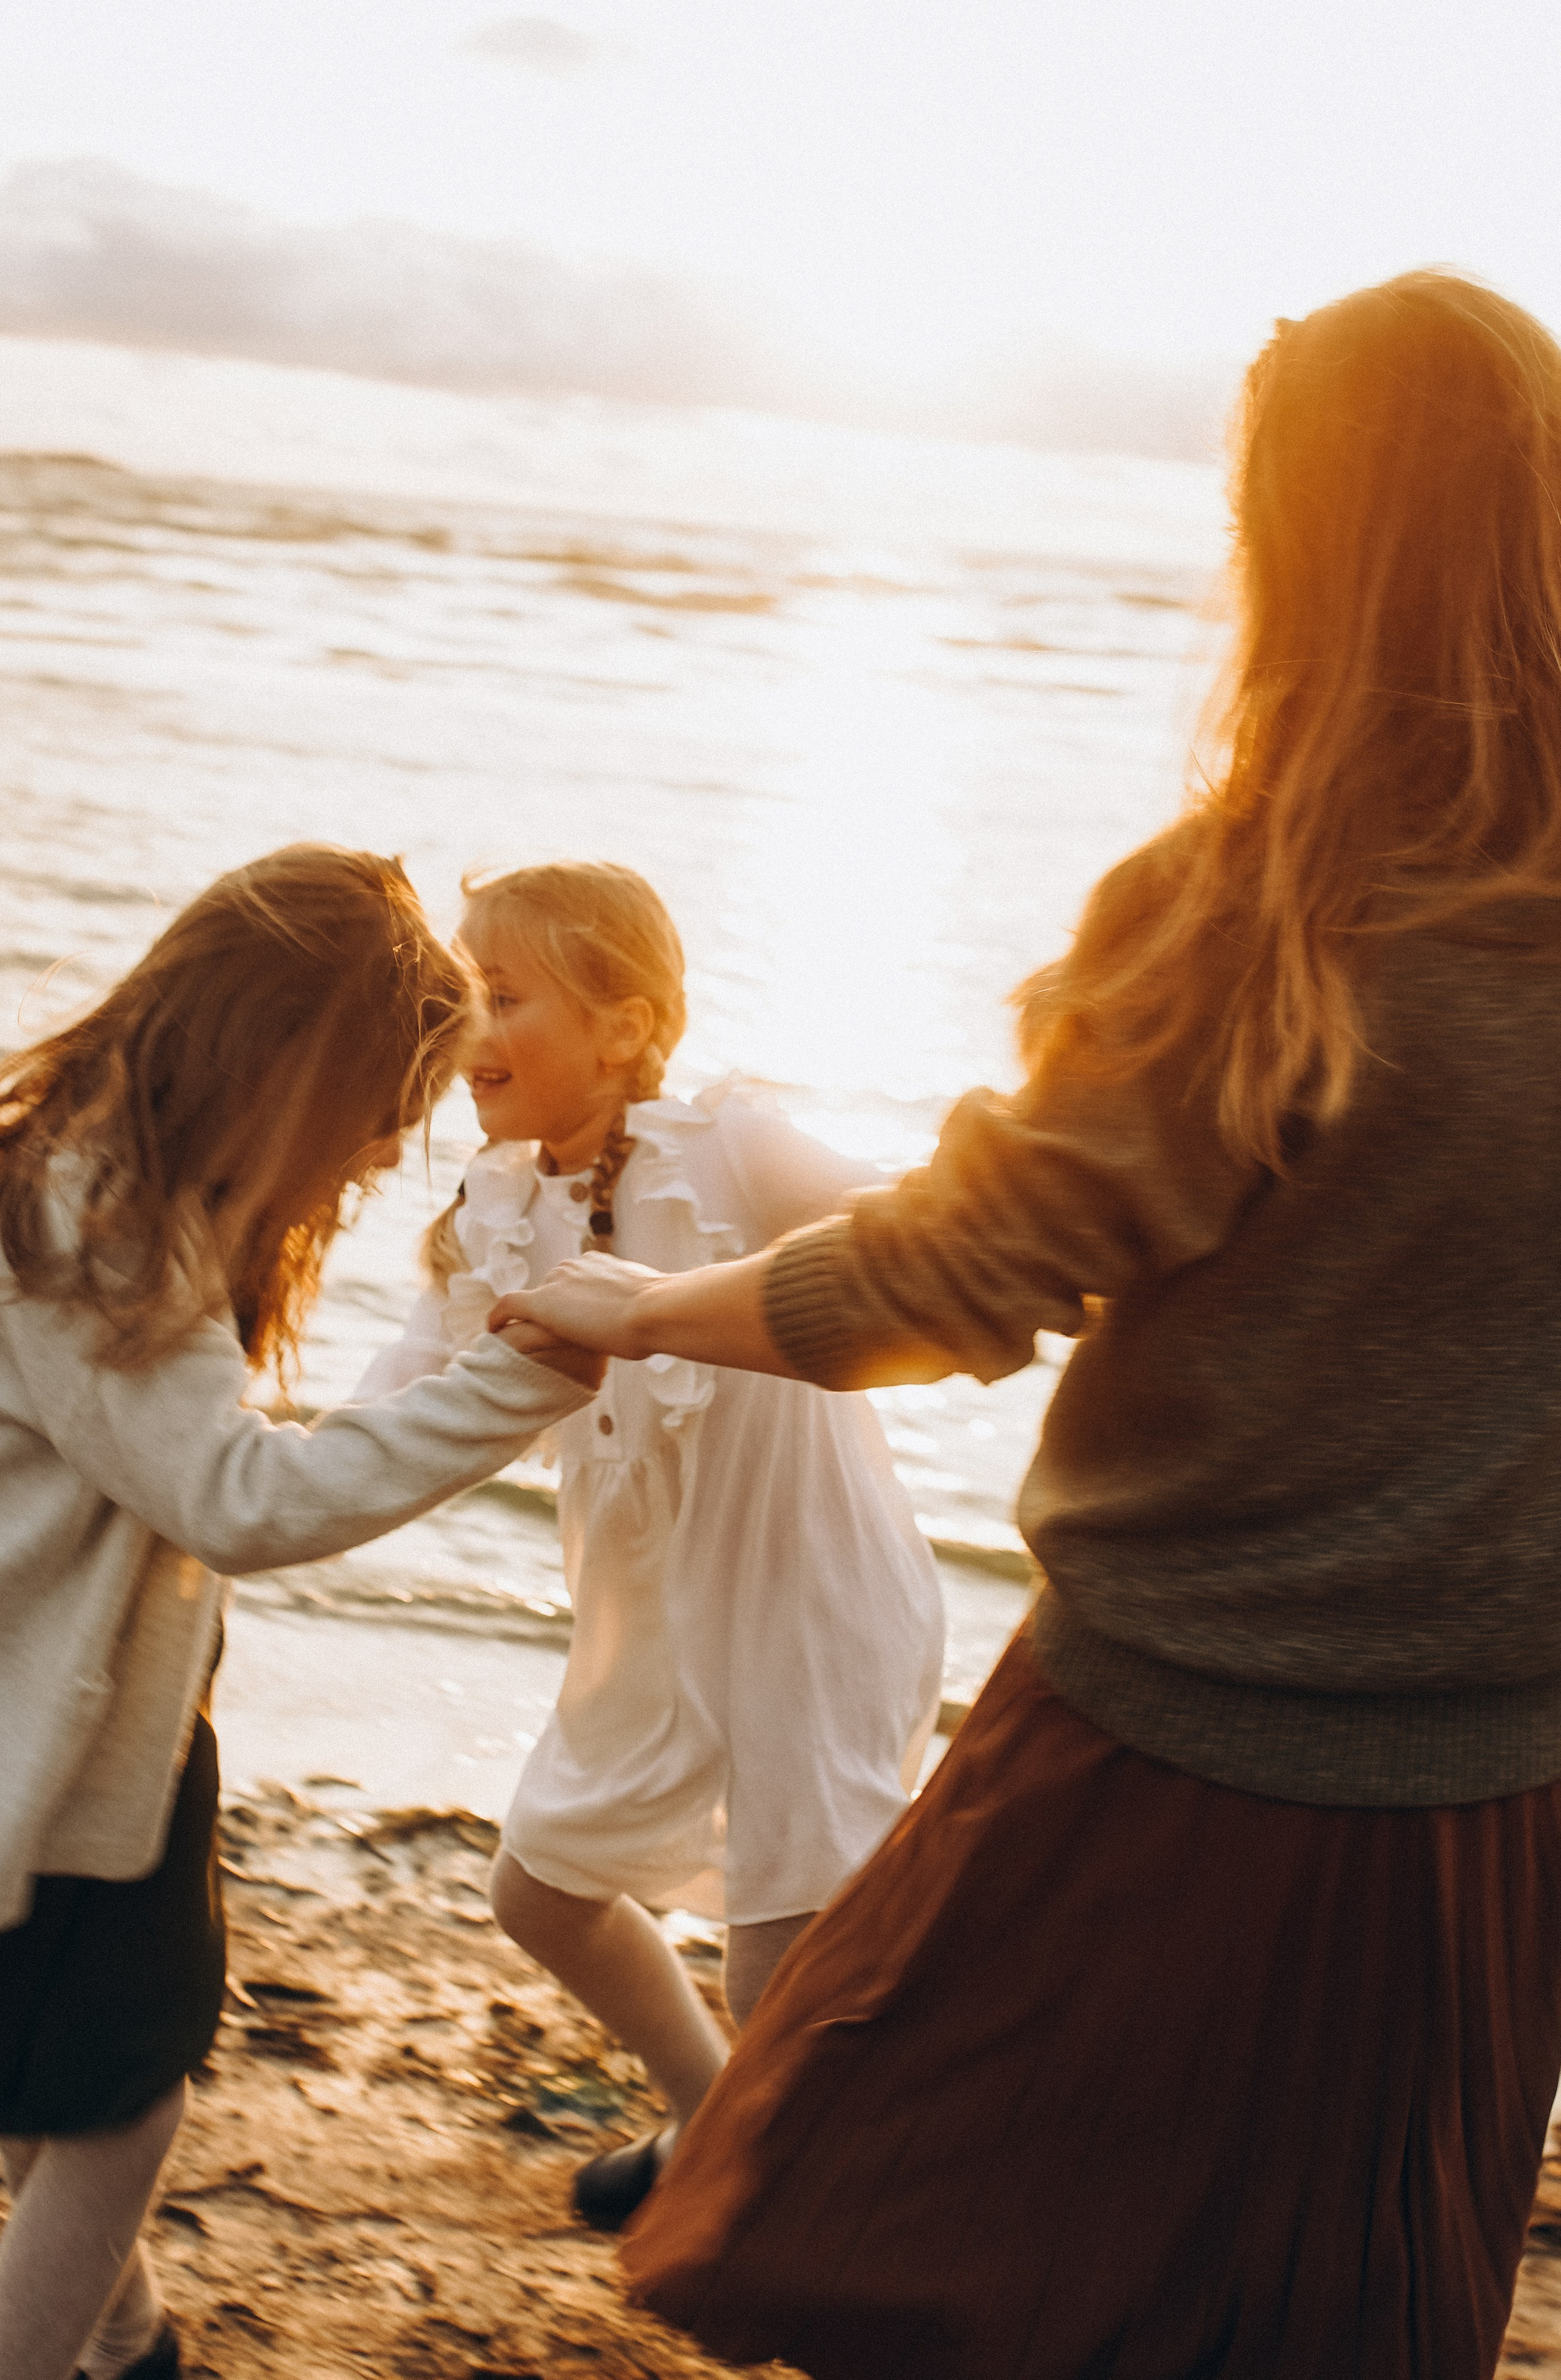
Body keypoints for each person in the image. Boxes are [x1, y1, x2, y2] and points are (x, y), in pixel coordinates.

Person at [494, 272, 1561, 2380]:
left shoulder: (1257, 912)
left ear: (1298, 544)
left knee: (921, 2271)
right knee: (1333, 2325)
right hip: (1492, 1798)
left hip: (1157, 1758)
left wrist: (644, 1303)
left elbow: (948, 1280)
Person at [0, 846, 599, 2380]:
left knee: (51, 2064)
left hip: (77, 1726)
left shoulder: (114, 1168)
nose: (388, 1153)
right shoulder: (95, 1218)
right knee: (122, 2094)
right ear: (287, 1061)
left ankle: (129, 2352)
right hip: (30, 1739)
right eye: (384, 1109)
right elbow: (241, 1501)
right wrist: (521, 1380)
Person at [356, 859, 943, 2229]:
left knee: (780, 1952)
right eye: (462, 994)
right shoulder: (491, 1213)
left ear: (621, 1028)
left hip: (805, 1590)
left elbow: (920, 1237)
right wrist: (256, 1478)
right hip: (646, 1608)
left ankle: (852, 2200)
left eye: (501, 995)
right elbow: (395, 1402)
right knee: (542, 1886)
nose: (466, 1022)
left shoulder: (729, 1149)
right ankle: (710, 2116)